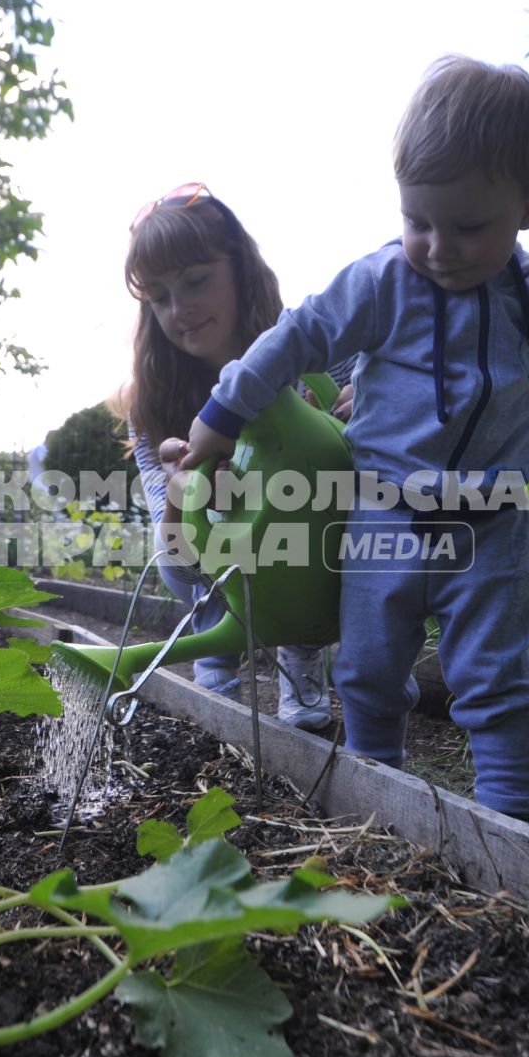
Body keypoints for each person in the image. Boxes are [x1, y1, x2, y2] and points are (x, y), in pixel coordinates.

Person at [182, 57, 529, 820]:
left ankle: (511, 819)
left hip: (491, 524)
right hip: (383, 517)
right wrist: (224, 411)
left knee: (495, 676)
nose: (439, 246)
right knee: (369, 668)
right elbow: (295, 337)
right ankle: (378, 797)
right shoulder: (381, 283)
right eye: (418, 221)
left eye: (470, 226)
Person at [110, 183, 337, 731]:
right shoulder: (156, 409)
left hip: (315, 547)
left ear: (240, 269)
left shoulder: (315, 354)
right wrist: (182, 497)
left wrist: (357, 418)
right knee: (199, 545)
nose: (179, 310)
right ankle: (215, 668)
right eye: (159, 297)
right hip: (216, 569)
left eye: (195, 281)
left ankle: (302, 650)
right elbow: (179, 564)